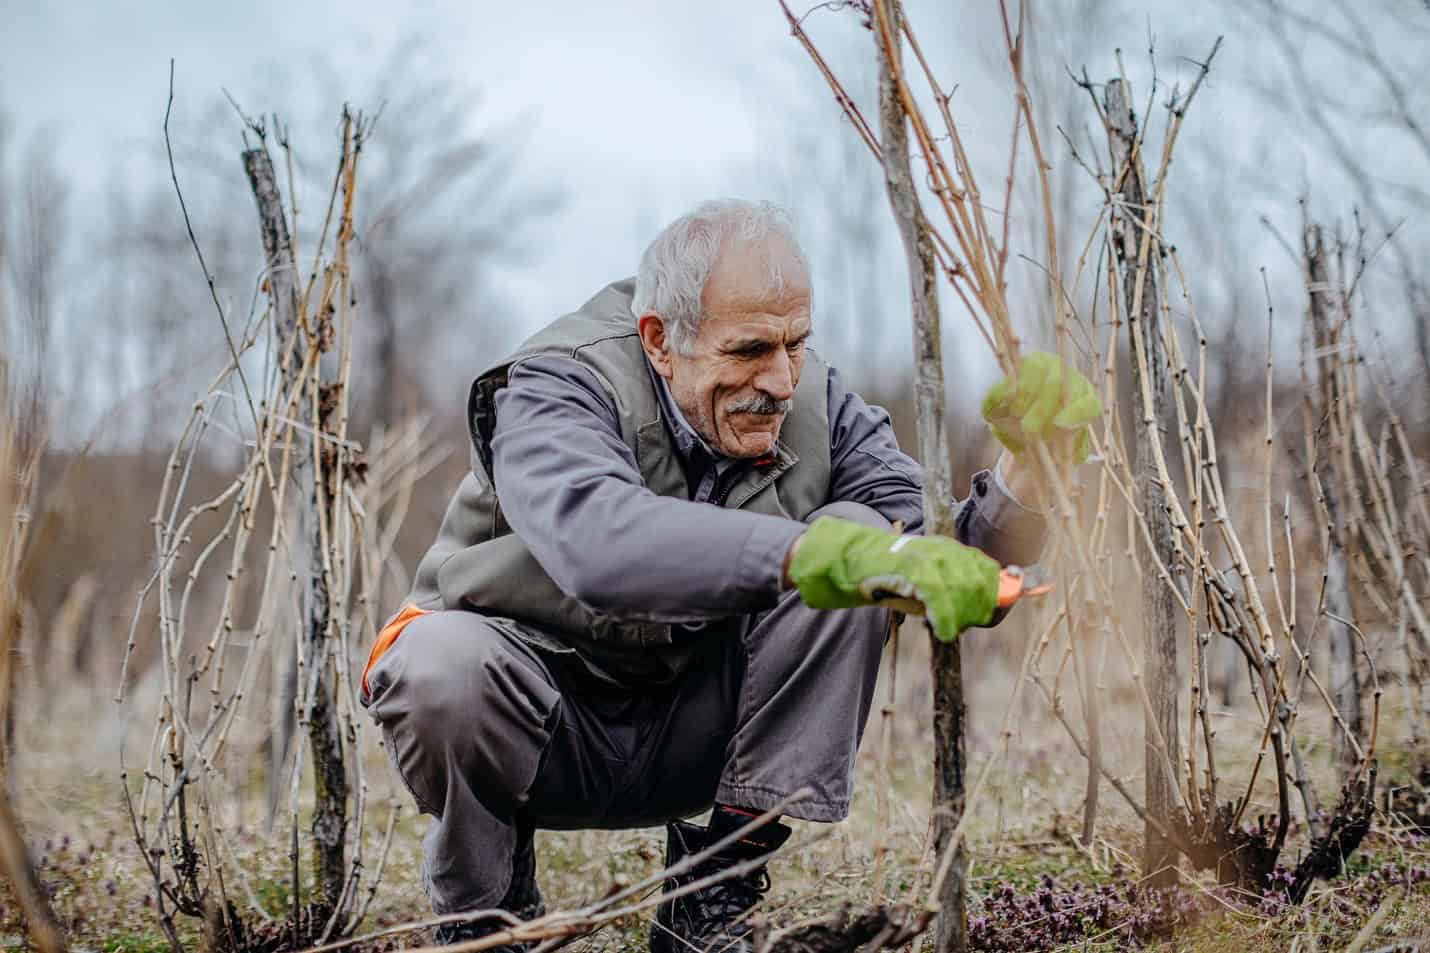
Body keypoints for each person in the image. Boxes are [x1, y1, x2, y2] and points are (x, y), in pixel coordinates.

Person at [359, 199, 1101, 951]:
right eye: (749, 350)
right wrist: (803, 556)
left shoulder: (819, 406)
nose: (779, 380)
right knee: (437, 665)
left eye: (795, 344)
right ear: (659, 340)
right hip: (544, 725)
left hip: (699, 733)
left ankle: (711, 899)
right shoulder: (557, 386)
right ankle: (488, 919)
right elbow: (599, 545)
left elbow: (942, 562)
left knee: (866, 540)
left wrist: (1027, 475)